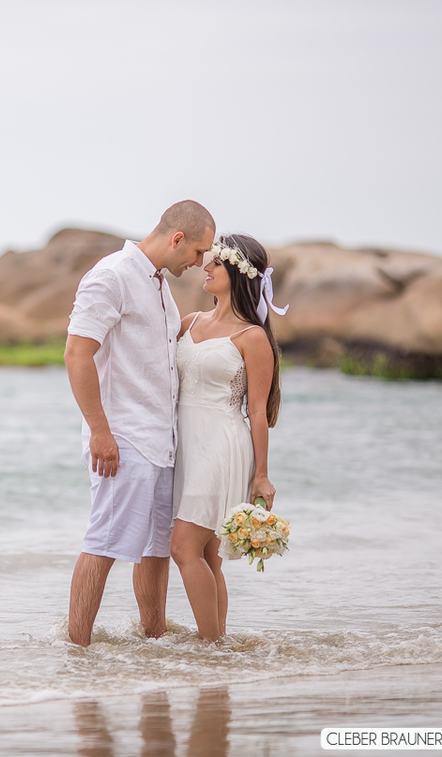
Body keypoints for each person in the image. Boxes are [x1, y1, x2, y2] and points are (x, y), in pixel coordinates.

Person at [64, 200, 217, 647]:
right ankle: (78, 650)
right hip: (123, 437)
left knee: (155, 550)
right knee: (105, 542)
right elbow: (77, 353)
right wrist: (99, 430)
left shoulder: (159, 286)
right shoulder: (111, 276)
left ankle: (155, 643)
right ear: (177, 239)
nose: (199, 263)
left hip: (161, 440)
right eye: (197, 252)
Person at [169, 233, 286, 643]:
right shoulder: (189, 322)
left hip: (222, 444)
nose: (206, 266)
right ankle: (219, 647)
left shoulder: (252, 338)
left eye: (216, 262)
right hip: (185, 446)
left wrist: (263, 476)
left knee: (183, 548)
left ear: (238, 273)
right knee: (206, 557)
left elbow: (257, 412)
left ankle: (209, 649)